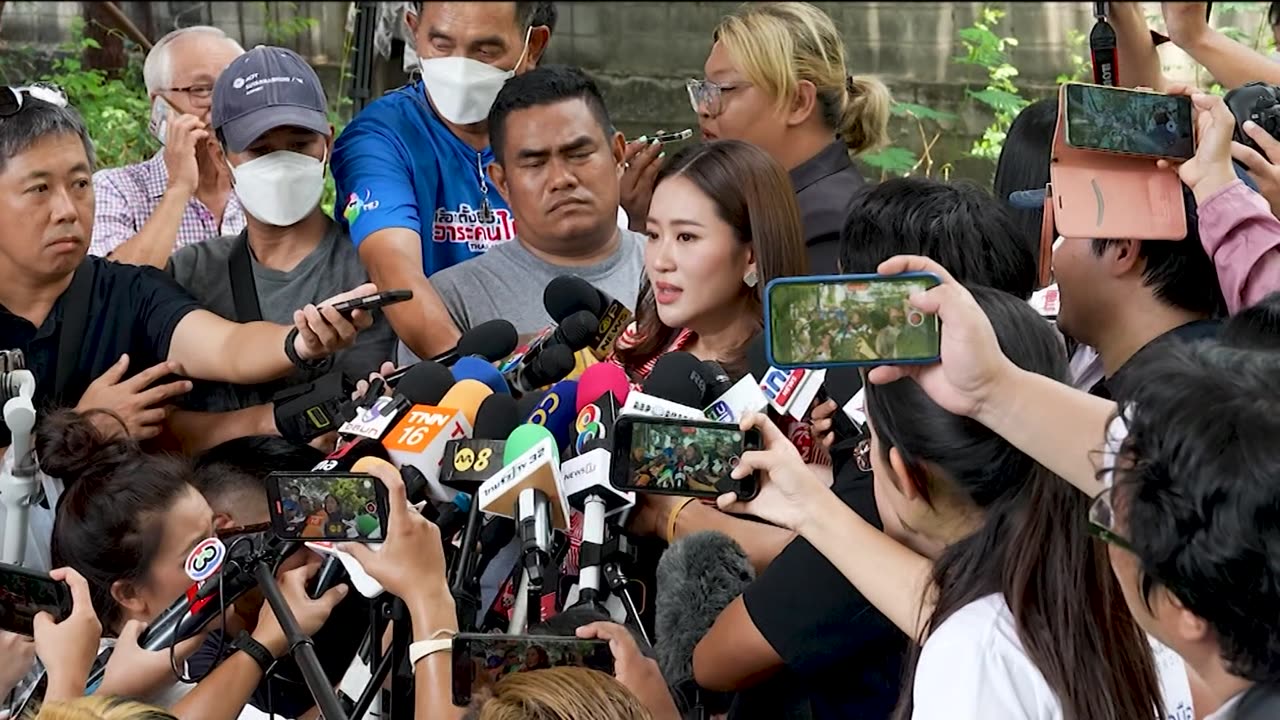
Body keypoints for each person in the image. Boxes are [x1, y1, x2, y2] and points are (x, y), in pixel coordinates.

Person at [719, 286, 1174, 720]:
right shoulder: (1140, 564)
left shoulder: (973, 657)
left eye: (866, 449)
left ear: (906, 476)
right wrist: (810, 509)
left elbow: (974, 635)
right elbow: (951, 609)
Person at [864, 253, 1280, 720]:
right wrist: (991, 388)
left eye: (1111, 516)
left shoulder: (978, 654)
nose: (1095, 495)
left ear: (1185, 606)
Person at [0, 88, 372, 454]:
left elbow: (229, 346)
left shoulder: (128, 291)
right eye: (39, 189)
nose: (66, 209)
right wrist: (82, 432)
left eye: (80, 184)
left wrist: (302, 339)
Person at [40, 409, 345, 718]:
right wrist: (265, 642)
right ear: (130, 593)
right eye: (200, 555)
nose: (224, 557)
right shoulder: (104, 690)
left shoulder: (180, 655)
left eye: (216, 534)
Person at [168, 46, 397, 419]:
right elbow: (162, 426)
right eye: (260, 150)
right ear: (218, 155)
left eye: (298, 145)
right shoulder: (191, 272)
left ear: (328, 142)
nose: (282, 164)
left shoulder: (372, 268)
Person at [331, 1, 557, 361]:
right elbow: (395, 272)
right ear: (414, 31)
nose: (460, 69)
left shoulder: (559, 129)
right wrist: (480, 377)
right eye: (441, 44)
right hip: (437, 378)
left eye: (485, 50)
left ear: (532, 46)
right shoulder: (381, 139)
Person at [398, 64, 644, 362]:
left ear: (618, 155)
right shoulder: (453, 300)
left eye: (578, 154)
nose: (561, 179)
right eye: (534, 163)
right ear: (502, 183)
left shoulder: (675, 270)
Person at [687, 2, 891, 272]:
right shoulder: (776, 202)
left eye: (724, 89)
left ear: (798, 102)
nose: (704, 108)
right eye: (704, 89)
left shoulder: (828, 227)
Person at [611, 139, 808, 382]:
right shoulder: (637, 344)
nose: (660, 261)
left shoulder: (795, 382)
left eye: (686, 237)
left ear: (752, 255)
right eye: (653, 235)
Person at [90, 27, 246, 267]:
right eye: (202, 90)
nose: (223, 104)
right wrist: (179, 189)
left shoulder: (261, 183)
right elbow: (113, 289)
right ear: (159, 105)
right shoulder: (115, 190)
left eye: (235, 87)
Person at [1052, 190, 1225, 400]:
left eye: (1067, 233)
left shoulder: (1164, 412)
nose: (1054, 255)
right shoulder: (1225, 375)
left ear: (1123, 250)